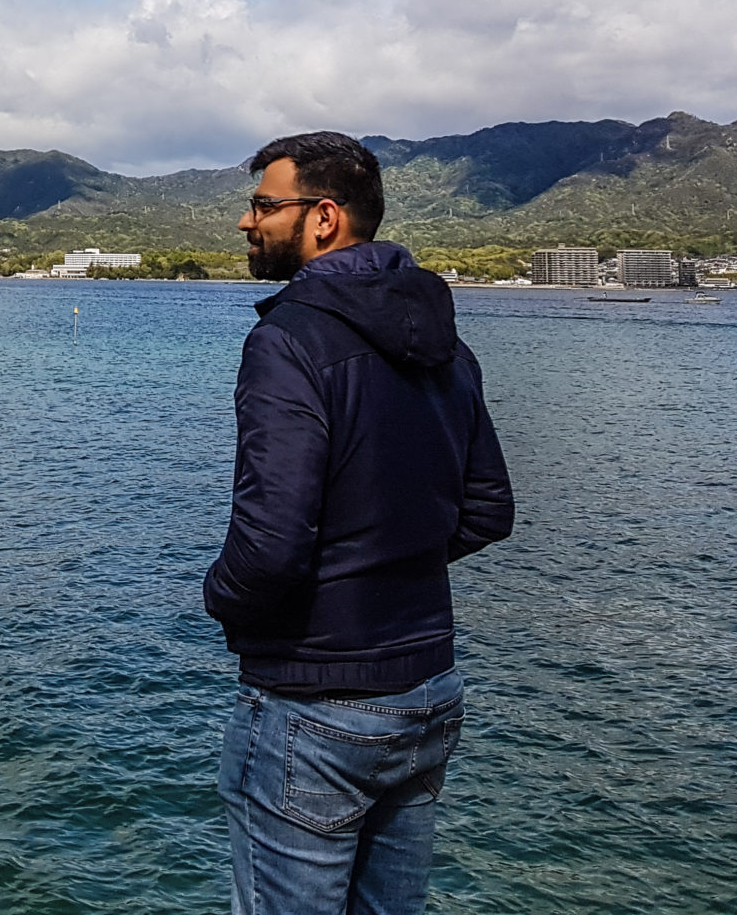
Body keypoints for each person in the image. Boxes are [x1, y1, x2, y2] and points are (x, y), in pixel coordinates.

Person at [206, 131, 514, 914]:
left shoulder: (288, 339)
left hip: (316, 700)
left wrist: (222, 600)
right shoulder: (449, 345)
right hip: (429, 690)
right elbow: (487, 510)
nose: (248, 223)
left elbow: (271, 547)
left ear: (323, 218)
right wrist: (384, 564)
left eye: (264, 205)